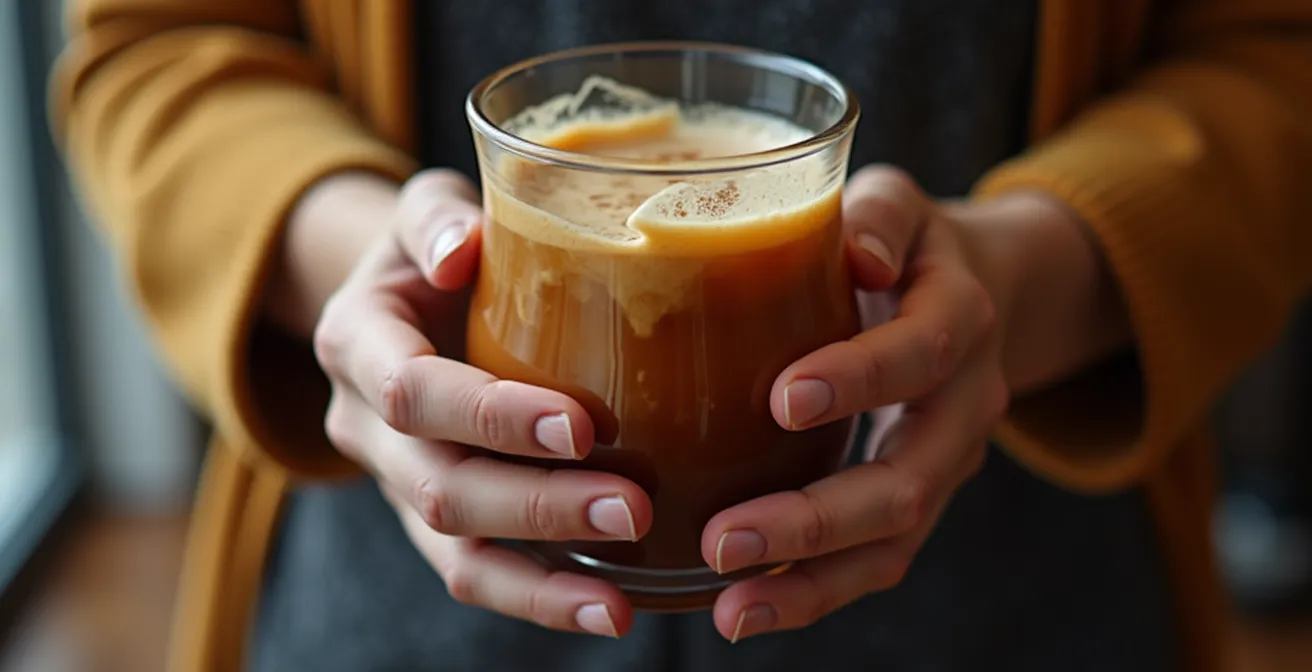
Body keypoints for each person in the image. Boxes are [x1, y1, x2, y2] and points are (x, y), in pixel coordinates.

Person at [51, 0, 1312, 670]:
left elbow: (1273, 53)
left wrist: (1017, 279)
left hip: (1012, 597)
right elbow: (153, 48)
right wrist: (359, 263)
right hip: (392, 593)